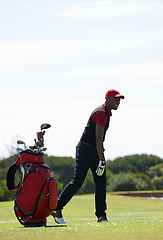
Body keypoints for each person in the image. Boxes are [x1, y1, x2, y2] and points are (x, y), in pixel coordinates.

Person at [51, 89, 124, 224]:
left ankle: (101, 216)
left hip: (95, 150)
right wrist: (101, 160)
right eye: (115, 99)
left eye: (119, 100)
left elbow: (99, 141)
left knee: (101, 184)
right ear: (107, 99)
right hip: (85, 150)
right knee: (77, 181)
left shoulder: (107, 113)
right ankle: (57, 208)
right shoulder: (101, 113)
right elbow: (98, 139)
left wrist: (101, 157)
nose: (118, 102)